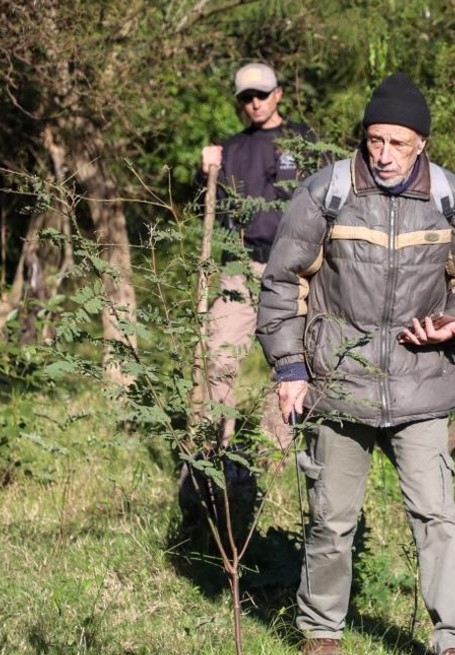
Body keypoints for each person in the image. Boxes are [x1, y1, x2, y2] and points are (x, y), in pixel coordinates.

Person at [256, 73, 455, 655]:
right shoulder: (328, 191)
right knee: (332, 519)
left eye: (398, 142)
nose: (385, 154)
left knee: (436, 516)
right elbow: (283, 281)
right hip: (339, 381)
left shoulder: (448, 197)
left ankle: (454, 640)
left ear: (422, 143)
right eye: (375, 141)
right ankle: (322, 632)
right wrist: (291, 369)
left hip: (422, 386)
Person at [198, 62, 317, 451]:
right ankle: (216, 446)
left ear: (278, 94)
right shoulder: (230, 149)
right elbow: (206, 208)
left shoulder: (302, 140)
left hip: (294, 267)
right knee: (218, 356)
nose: (254, 103)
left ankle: (275, 449)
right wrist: (206, 172)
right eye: (246, 98)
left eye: (261, 95)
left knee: (289, 359)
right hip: (240, 267)